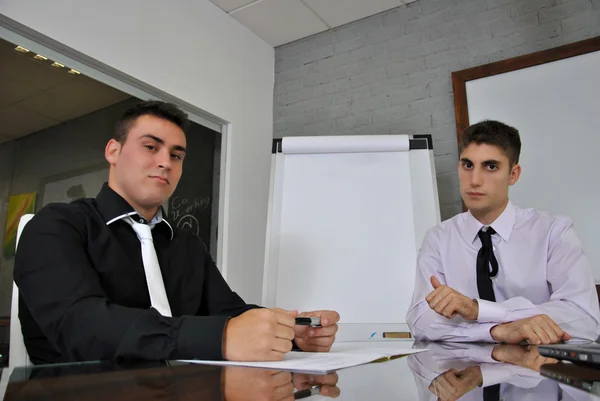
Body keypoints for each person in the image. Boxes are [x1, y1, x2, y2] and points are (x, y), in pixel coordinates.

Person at [14, 100, 340, 365]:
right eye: (151, 147)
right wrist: (220, 337)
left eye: (176, 155)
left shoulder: (185, 245)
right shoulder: (55, 226)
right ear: (113, 151)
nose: (165, 162)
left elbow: (229, 313)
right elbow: (79, 327)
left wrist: (289, 332)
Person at [406, 120, 600, 344]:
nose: (475, 181)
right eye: (468, 165)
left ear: (513, 174)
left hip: (538, 374)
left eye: (491, 167)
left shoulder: (553, 232)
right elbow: (420, 321)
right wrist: (497, 331)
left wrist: (479, 311)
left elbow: (584, 319)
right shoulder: (438, 239)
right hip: (463, 375)